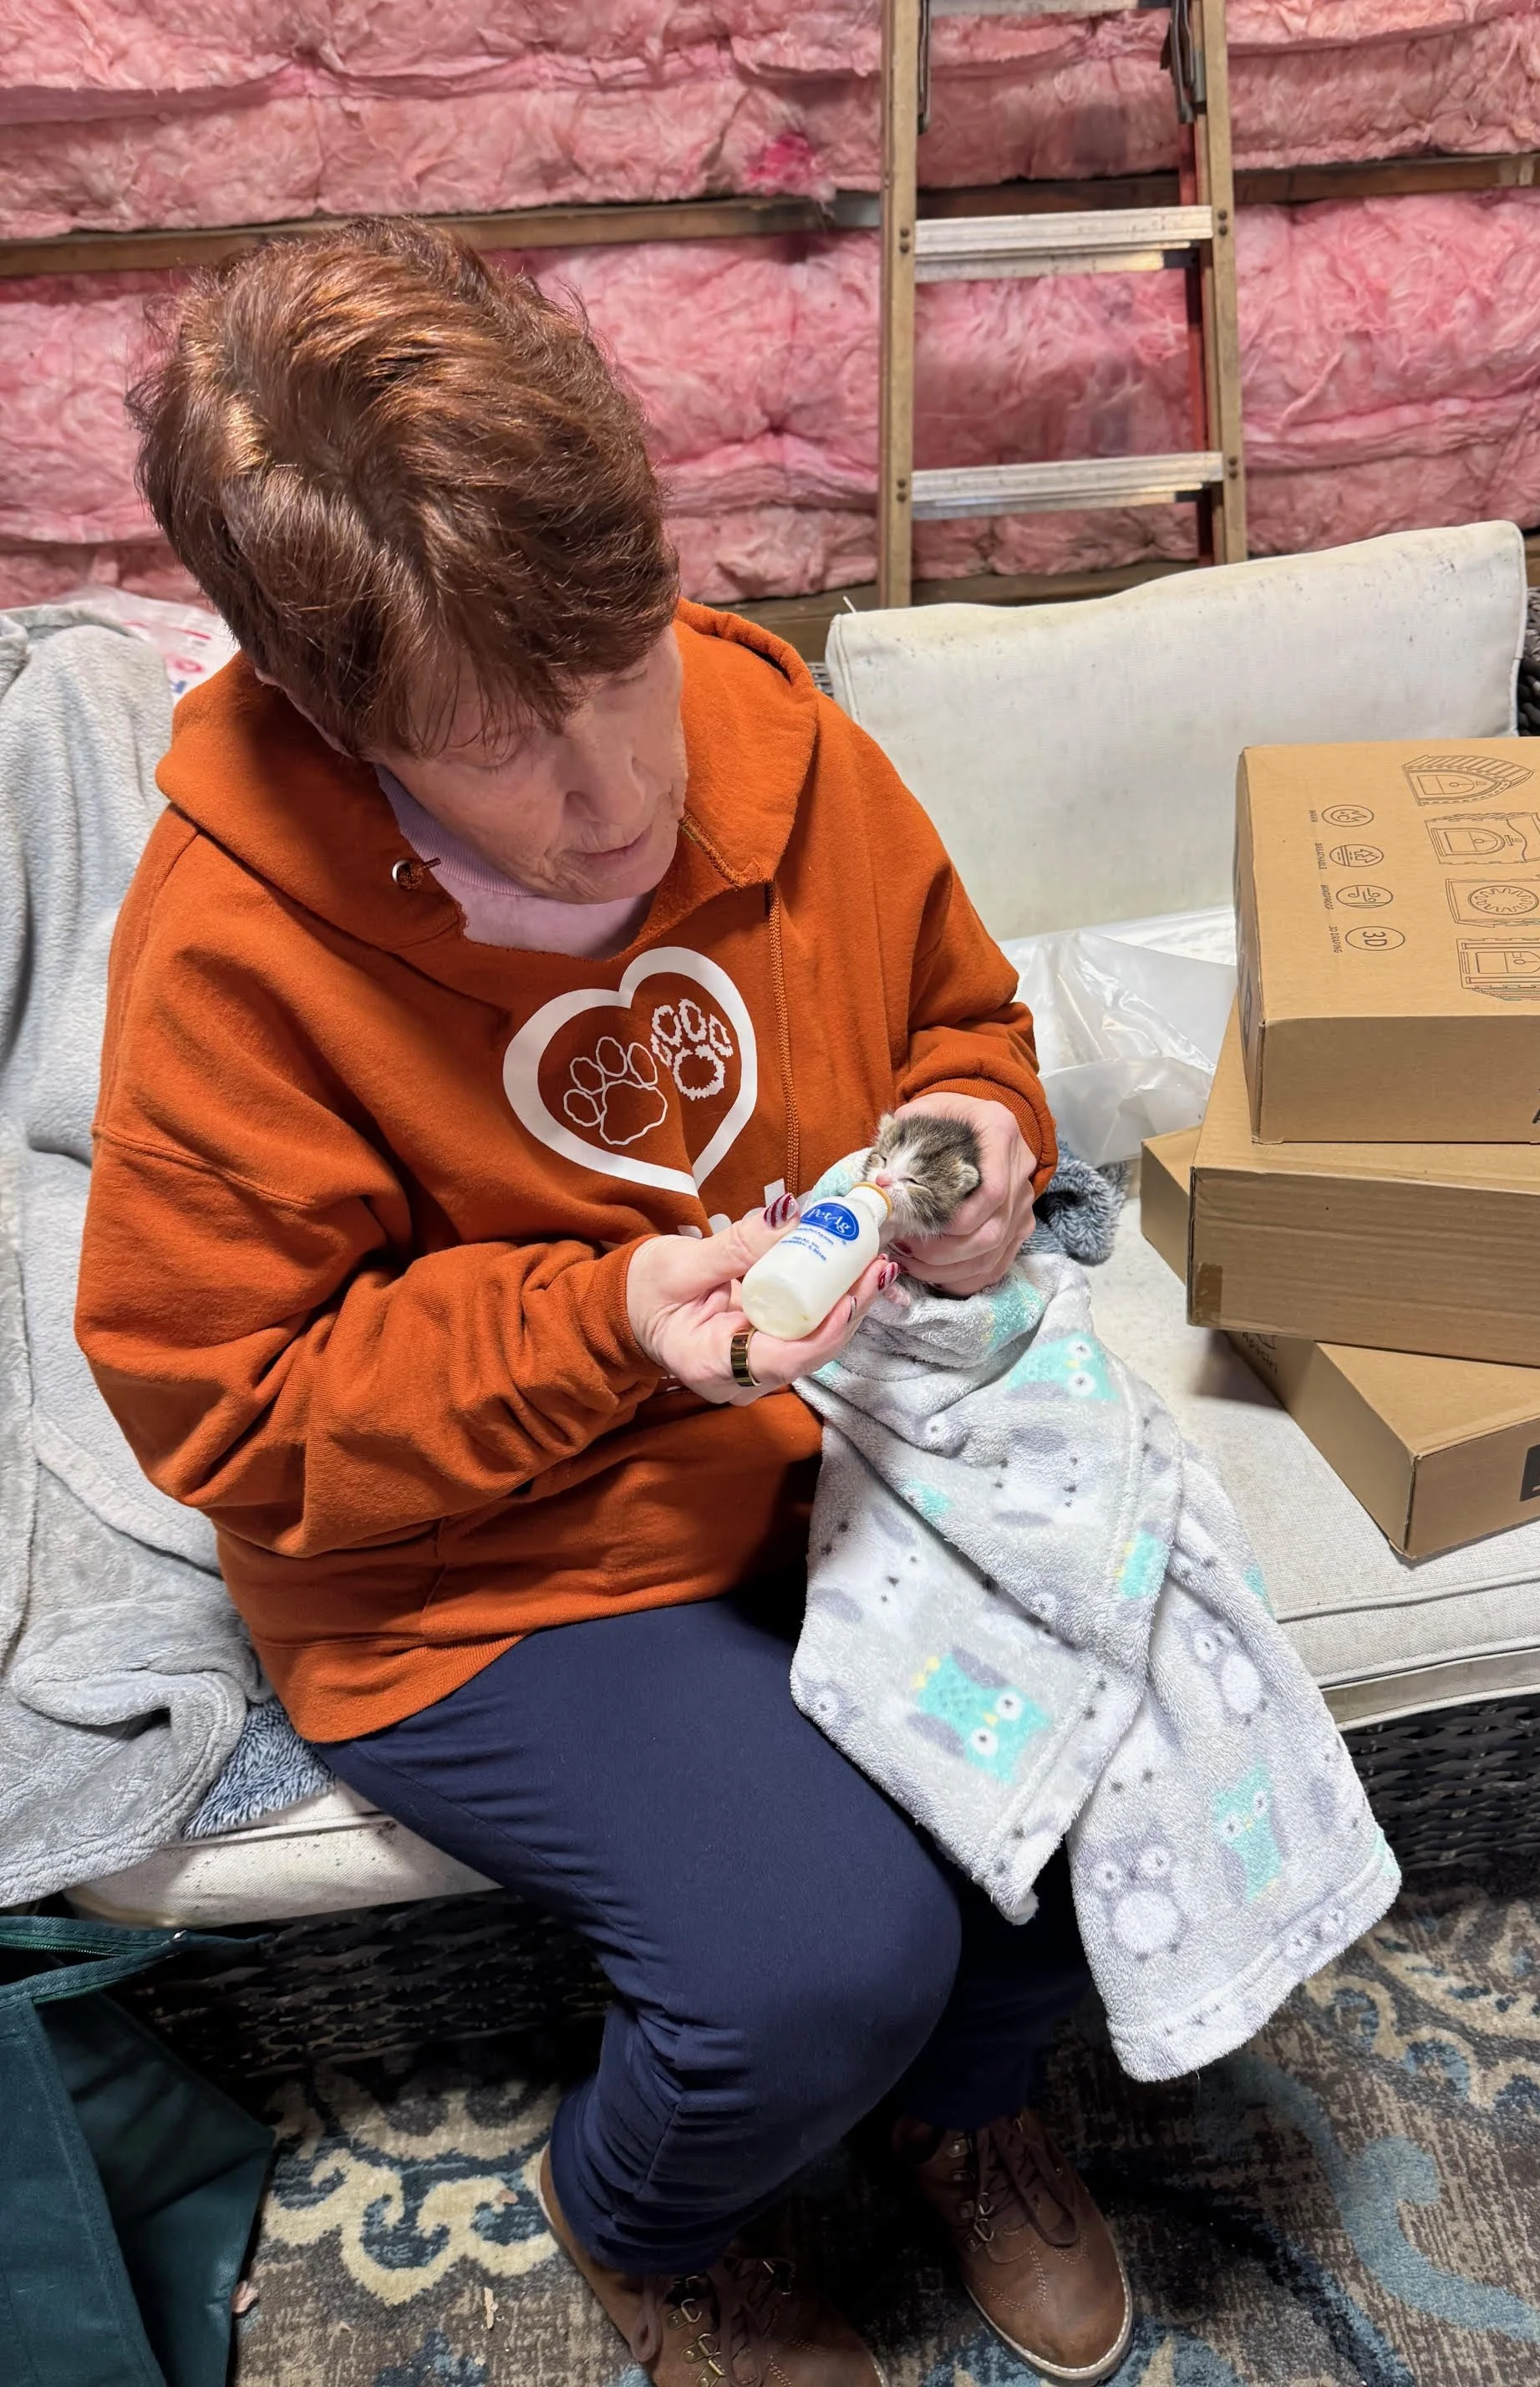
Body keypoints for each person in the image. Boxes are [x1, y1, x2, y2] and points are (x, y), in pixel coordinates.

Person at [76, 219, 1133, 2387]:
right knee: (815, 1950)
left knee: (1106, 1715)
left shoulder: (755, 716)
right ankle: (641, 2218)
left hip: (818, 1434)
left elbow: (956, 1018)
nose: (616, 797)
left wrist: (963, 1153)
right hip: (480, 1572)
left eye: (619, 662)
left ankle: (968, 2113)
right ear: (330, 715)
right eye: (499, 747)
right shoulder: (230, 945)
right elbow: (224, 1417)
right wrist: (597, 1326)